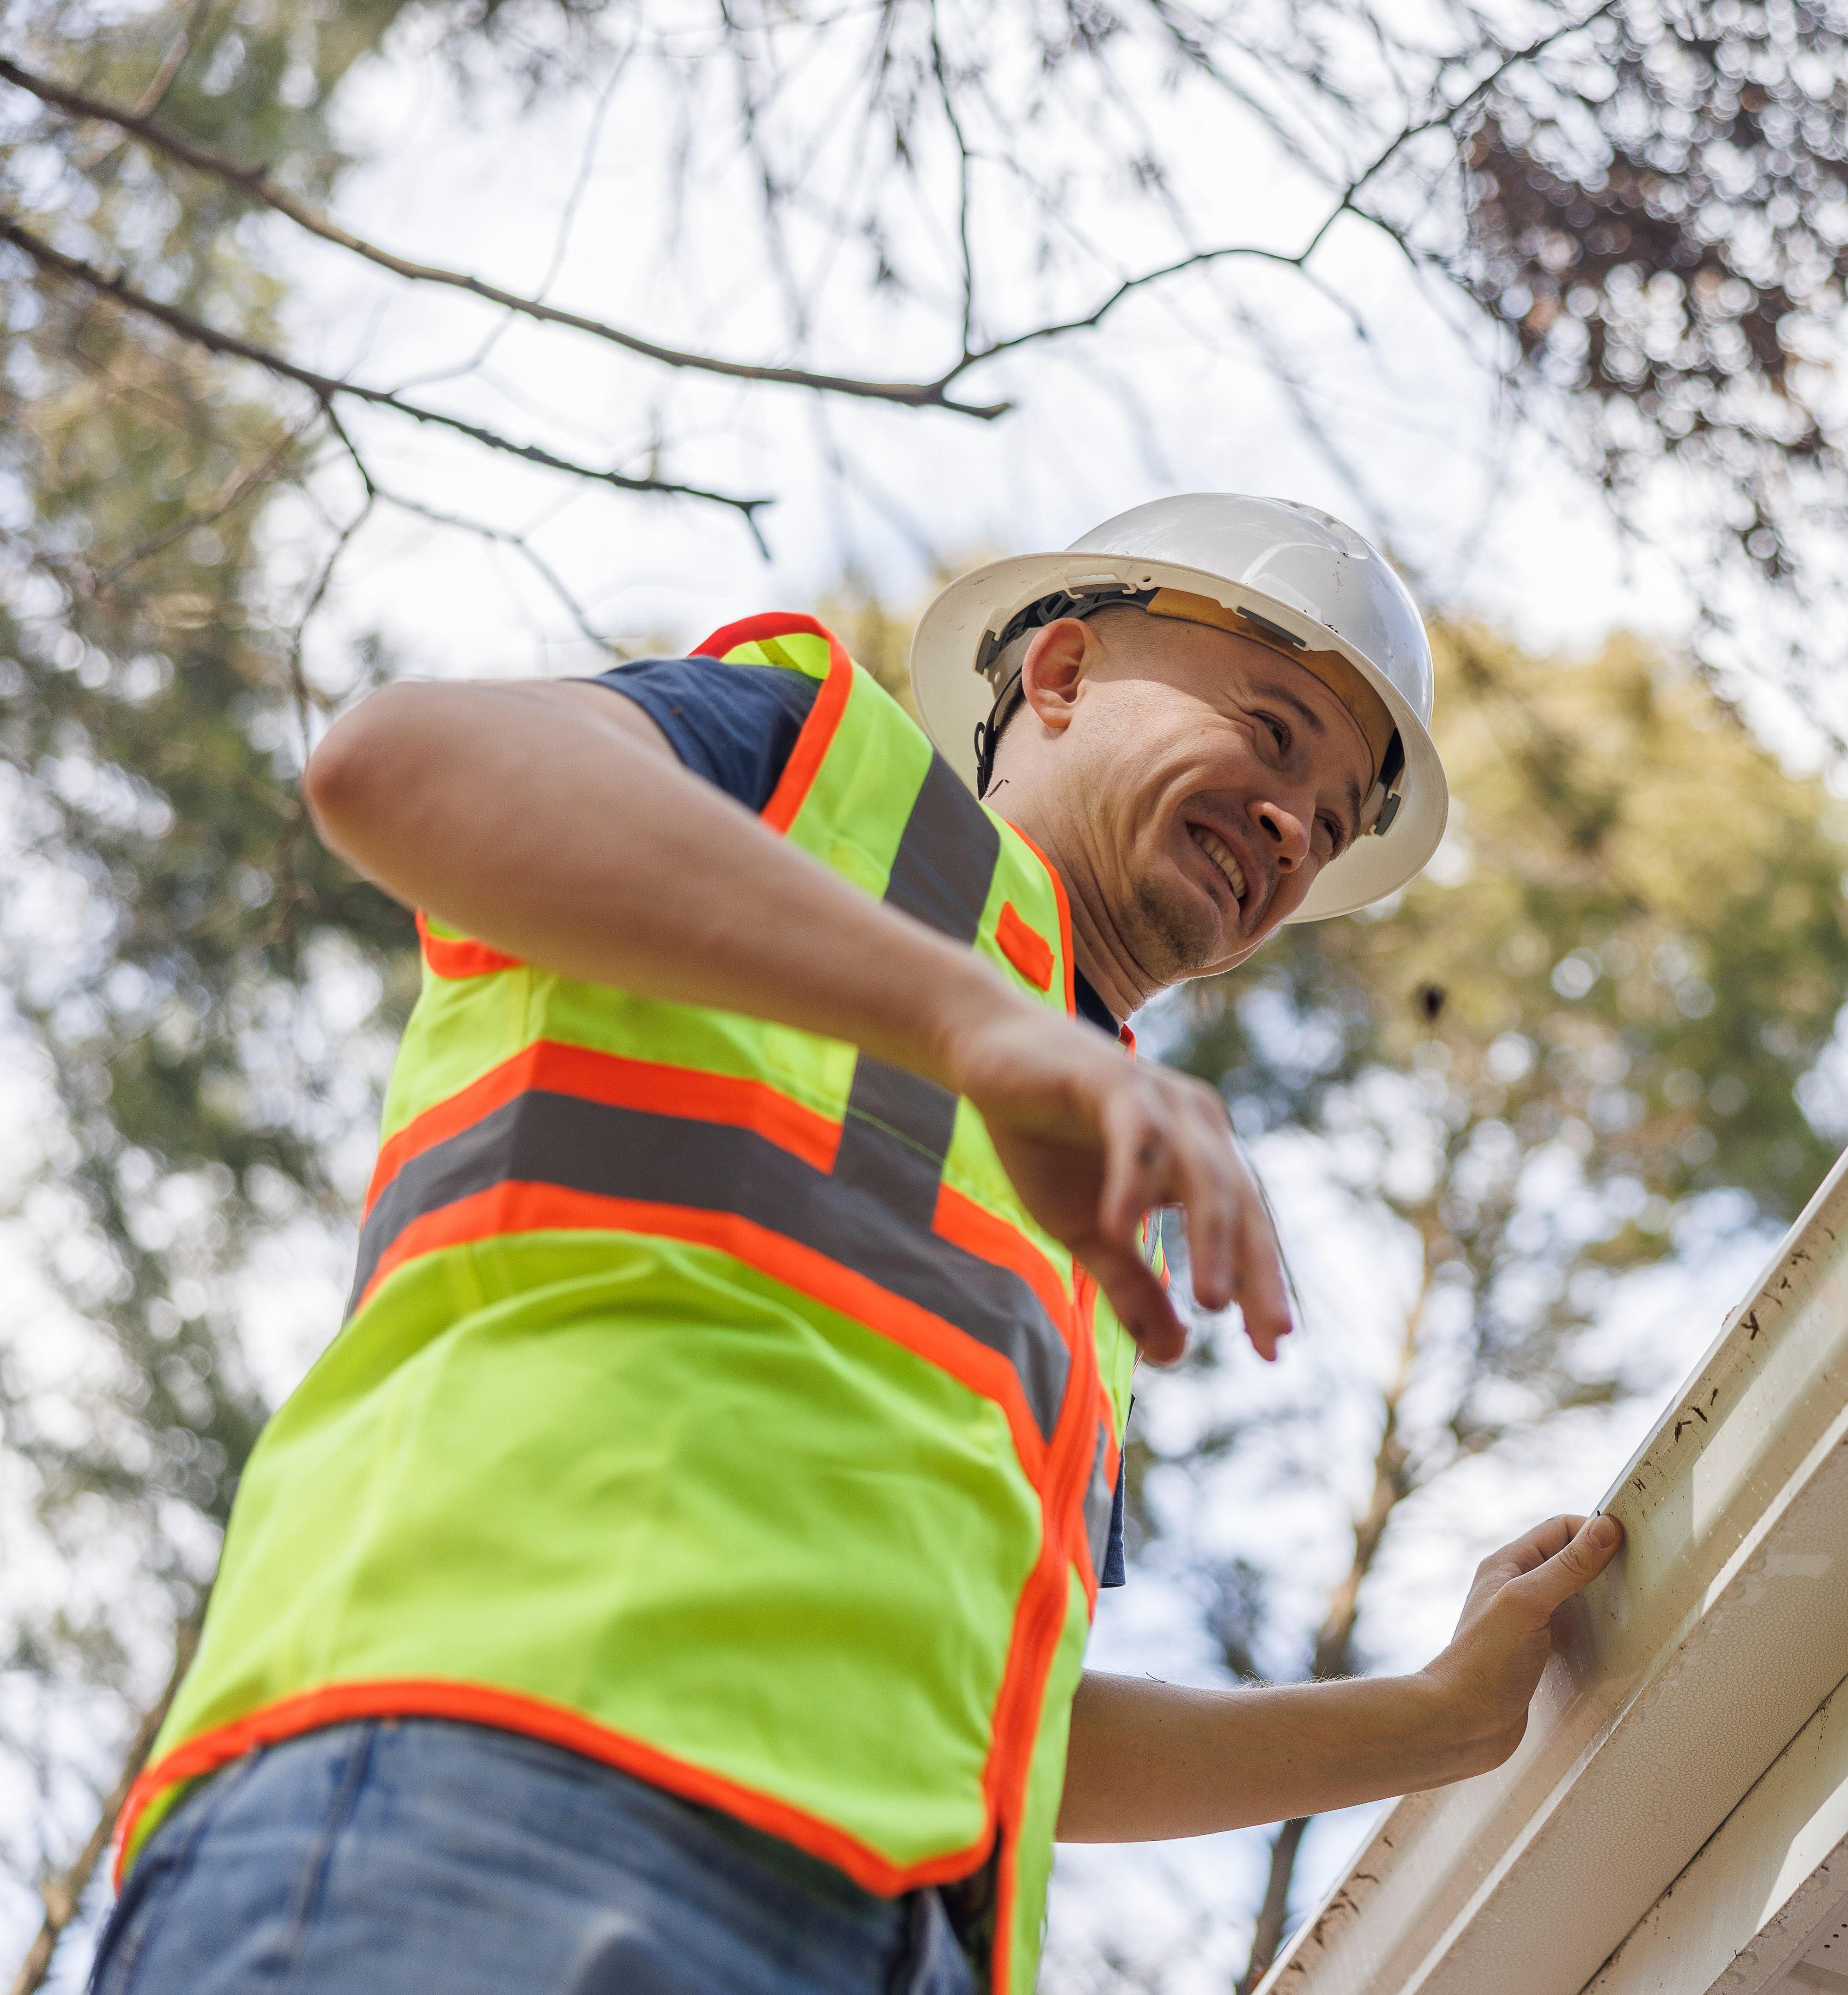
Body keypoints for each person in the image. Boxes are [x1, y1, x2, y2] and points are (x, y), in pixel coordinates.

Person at [88, 496, 1624, 1995]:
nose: (1296, 826)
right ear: (1066, 675)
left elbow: (1008, 1719)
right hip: (494, 1772)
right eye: (1275, 731)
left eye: (1337, 816)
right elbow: (405, 765)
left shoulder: (1094, 1197)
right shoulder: (818, 766)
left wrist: (1427, 1725)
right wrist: (974, 1024)